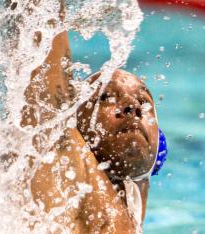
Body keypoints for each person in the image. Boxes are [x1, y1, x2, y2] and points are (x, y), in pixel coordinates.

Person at [20, 30, 165, 233]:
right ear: (77, 125)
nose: (133, 106)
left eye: (143, 102)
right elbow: (47, 86)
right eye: (106, 98)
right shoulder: (69, 164)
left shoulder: (131, 201)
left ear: (161, 150)